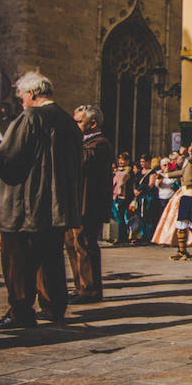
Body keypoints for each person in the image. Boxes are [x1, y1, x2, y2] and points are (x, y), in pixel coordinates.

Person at [0, 72, 81, 329]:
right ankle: (53, 306)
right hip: (56, 204)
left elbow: (8, 159)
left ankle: (20, 310)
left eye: (22, 97)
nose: (21, 103)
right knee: (50, 255)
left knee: (17, 258)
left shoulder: (30, 118)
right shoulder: (68, 121)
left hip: (25, 204)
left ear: (32, 94)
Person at [64, 105, 113, 305]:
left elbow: (82, 160)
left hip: (88, 206)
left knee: (84, 244)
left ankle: (90, 289)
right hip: (74, 204)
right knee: (72, 245)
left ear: (92, 124)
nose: (75, 125)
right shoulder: (84, 143)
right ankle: (80, 286)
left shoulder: (100, 144)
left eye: (79, 122)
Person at [111, 152, 133, 243]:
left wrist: (117, 172)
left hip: (124, 196)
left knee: (121, 216)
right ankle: (121, 235)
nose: (121, 161)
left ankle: (122, 236)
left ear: (127, 161)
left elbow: (122, 180)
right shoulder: (118, 170)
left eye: (123, 160)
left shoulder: (128, 171)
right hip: (116, 196)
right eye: (120, 159)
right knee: (118, 216)